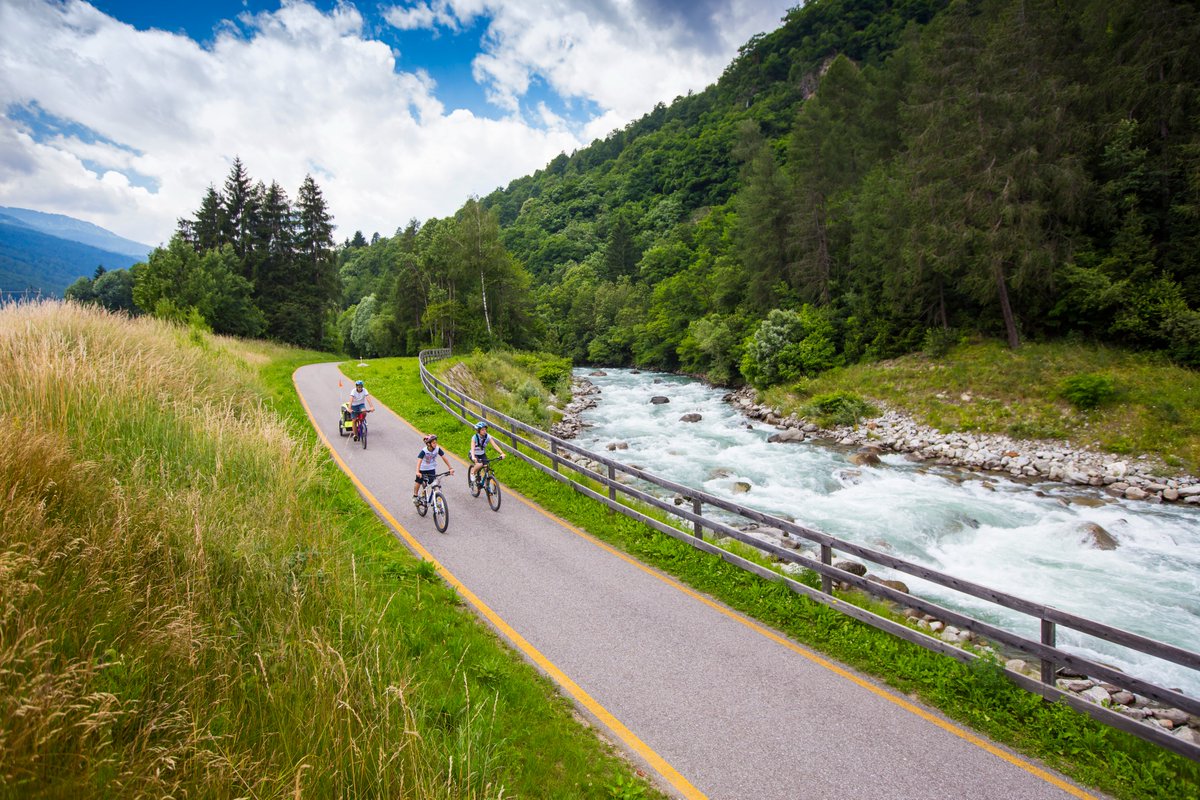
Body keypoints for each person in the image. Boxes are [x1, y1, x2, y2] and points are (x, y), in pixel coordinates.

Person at [414, 434, 454, 505]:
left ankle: (435, 499)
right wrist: (417, 471)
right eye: (433, 443)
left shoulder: (437, 449)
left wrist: (450, 467)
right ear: (429, 444)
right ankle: (415, 495)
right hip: (422, 469)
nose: (435, 444)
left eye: (436, 442)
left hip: (431, 468)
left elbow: (444, 458)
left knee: (434, 484)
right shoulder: (424, 451)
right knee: (418, 481)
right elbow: (419, 461)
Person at [467, 420, 505, 487]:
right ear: (478, 431)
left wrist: (502, 453)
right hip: (474, 454)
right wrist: (473, 457)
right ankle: (472, 473)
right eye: (482, 430)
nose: (484, 431)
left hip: (482, 454)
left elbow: (494, 445)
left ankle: (486, 483)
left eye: (485, 429)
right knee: (480, 464)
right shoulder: (474, 437)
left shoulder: (488, 437)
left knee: (486, 467)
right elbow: (472, 448)